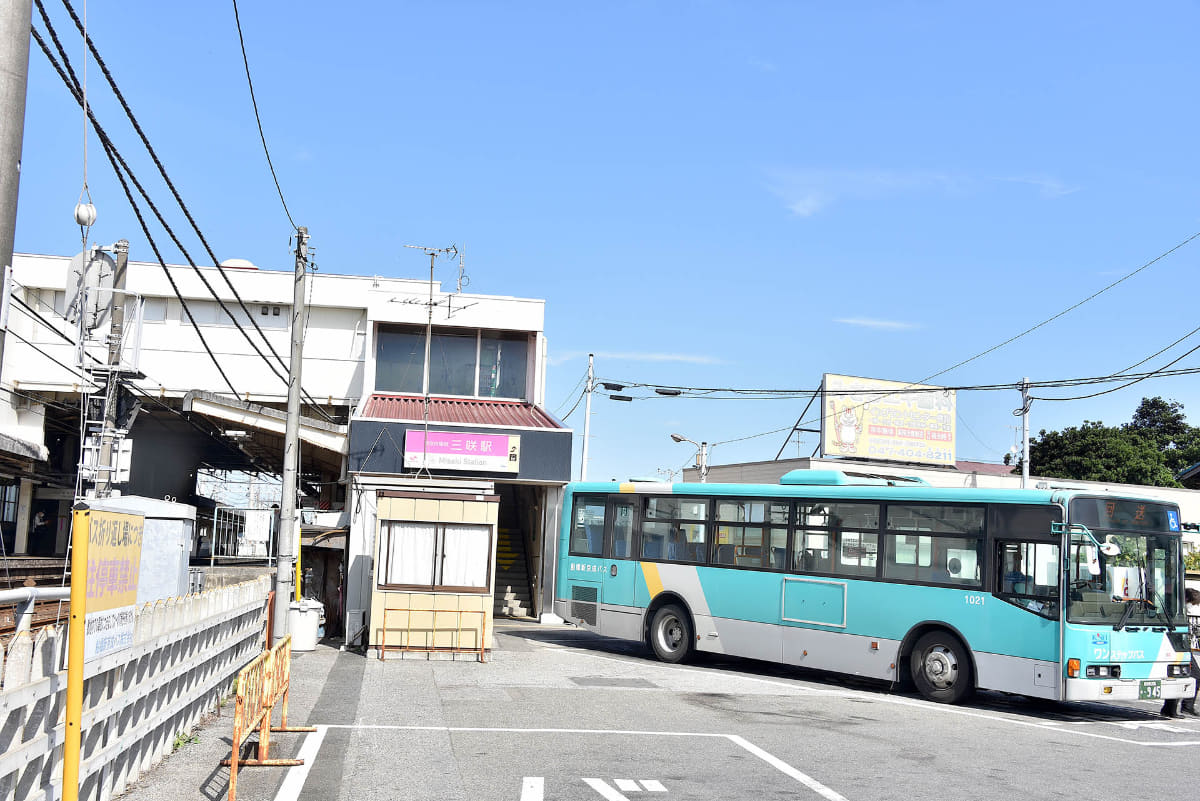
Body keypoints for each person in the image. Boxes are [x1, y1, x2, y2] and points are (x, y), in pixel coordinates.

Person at [1161, 587, 1200, 718]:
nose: (1193, 607)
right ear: (1187, 599)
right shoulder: (1175, 610)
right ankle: (1181, 707)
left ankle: (1174, 707)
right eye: (1193, 604)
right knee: (1186, 674)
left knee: (1180, 674)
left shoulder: (1176, 608)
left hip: (1178, 643)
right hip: (1177, 644)